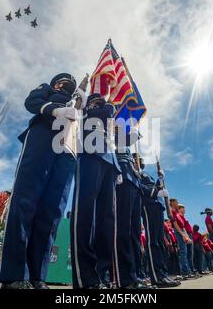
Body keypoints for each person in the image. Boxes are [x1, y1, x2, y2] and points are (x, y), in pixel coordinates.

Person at [0, 73, 83, 289]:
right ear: (57, 83)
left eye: (70, 85)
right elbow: (32, 102)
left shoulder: (79, 103)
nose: (66, 85)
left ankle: (38, 276)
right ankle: (15, 274)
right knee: (26, 200)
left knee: (52, 212)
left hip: (69, 150)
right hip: (44, 134)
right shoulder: (47, 89)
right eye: (63, 82)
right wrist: (55, 109)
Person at [70, 93, 121, 289]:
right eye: (95, 100)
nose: (99, 102)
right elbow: (104, 114)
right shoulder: (86, 111)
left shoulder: (105, 115)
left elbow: (111, 136)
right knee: (84, 217)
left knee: (106, 221)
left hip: (108, 162)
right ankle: (86, 278)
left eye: (100, 100)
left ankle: (102, 275)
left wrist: (116, 167)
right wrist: (105, 105)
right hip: (89, 157)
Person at [112, 127, 149, 289]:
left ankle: (136, 275)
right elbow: (115, 146)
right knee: (123, 231)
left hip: (133, 183)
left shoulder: (125, 143)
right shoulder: (111, 135)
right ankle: (125, 278)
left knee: (134, 232)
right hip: (122, 179)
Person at [138, 156, 179, 288]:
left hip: (157, 206)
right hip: (148, 205)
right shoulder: (136, 173)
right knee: (153, 242)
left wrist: (160, 178)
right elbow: (142, 188)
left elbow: (156, 187)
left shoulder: (145, 174)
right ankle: (156, 276)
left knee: (160, 242)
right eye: (137, 158)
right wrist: (156, 190)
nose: (140, 160)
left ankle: (163, 273)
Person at [170, 199, 194, 279]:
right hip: (178, 231)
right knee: (183, 253)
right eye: (176, 203)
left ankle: (187, 271)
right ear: (173, 203)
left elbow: (183, 226)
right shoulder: (172, 212)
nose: (177, 204)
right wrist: (183, 235)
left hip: (182, 231)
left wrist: (186, 236)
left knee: (185, 253)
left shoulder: (176, 213)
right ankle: (185, 273)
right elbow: (175, 225)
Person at [178, 204, 195, 275]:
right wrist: (186, 236)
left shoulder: (183, 217)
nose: (184, 210)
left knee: (190, 254)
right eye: (183, 208)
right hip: (186, 234)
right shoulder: (180, 217)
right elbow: (182, 228)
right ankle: (188, 270)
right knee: (186, 254)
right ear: (179, 209)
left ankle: (191, 269)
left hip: (188, 234)